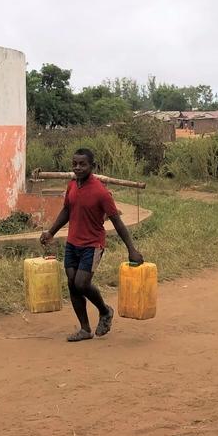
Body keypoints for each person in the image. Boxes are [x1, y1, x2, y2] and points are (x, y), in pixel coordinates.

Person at [40, 147, 144, 342]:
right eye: (75, 164)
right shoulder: (72, 185)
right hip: (72, 243)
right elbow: (66, 211)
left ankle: (105, 311)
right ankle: (85, 329)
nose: (78, 168)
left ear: (92, 166)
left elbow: (117, 222)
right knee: (72, 284)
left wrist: (132, 249)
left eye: (82, 164)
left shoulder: (101, 193)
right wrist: (51, 232)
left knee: (81, 283)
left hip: (93, 244)